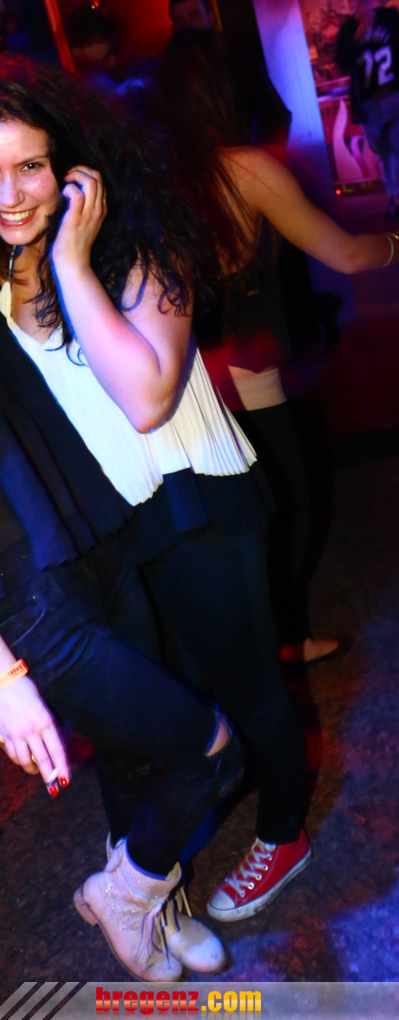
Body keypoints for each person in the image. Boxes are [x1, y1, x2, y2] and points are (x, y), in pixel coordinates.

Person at [0, 55, 314, 926]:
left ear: (71, 162)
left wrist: (70, 260)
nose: (7, 194)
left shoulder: (141, 242)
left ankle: (284, 833)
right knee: (177, 710)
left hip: (193, 501)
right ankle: (171, 858)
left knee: (249, 688)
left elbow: (145, 399)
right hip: (107, 530)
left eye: (30, 165)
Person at [153, 27, 399, 665]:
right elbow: (346, 255)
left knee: (249, 519)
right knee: (293, 509)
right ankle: (278, 648)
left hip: (191, 382)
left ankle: (278, 642)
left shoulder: (162, 178)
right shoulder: (244, 169)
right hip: (248, 372)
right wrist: (396, 243)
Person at [336, 0, 399, 220]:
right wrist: (358, 36)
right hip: (369, 104)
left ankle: (396, 198)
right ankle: (393, 197)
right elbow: (342, 64)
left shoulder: (390, 18)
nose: (360, 5)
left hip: (394, 96)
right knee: (383, 152)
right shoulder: (347, 31)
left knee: (396, 144)